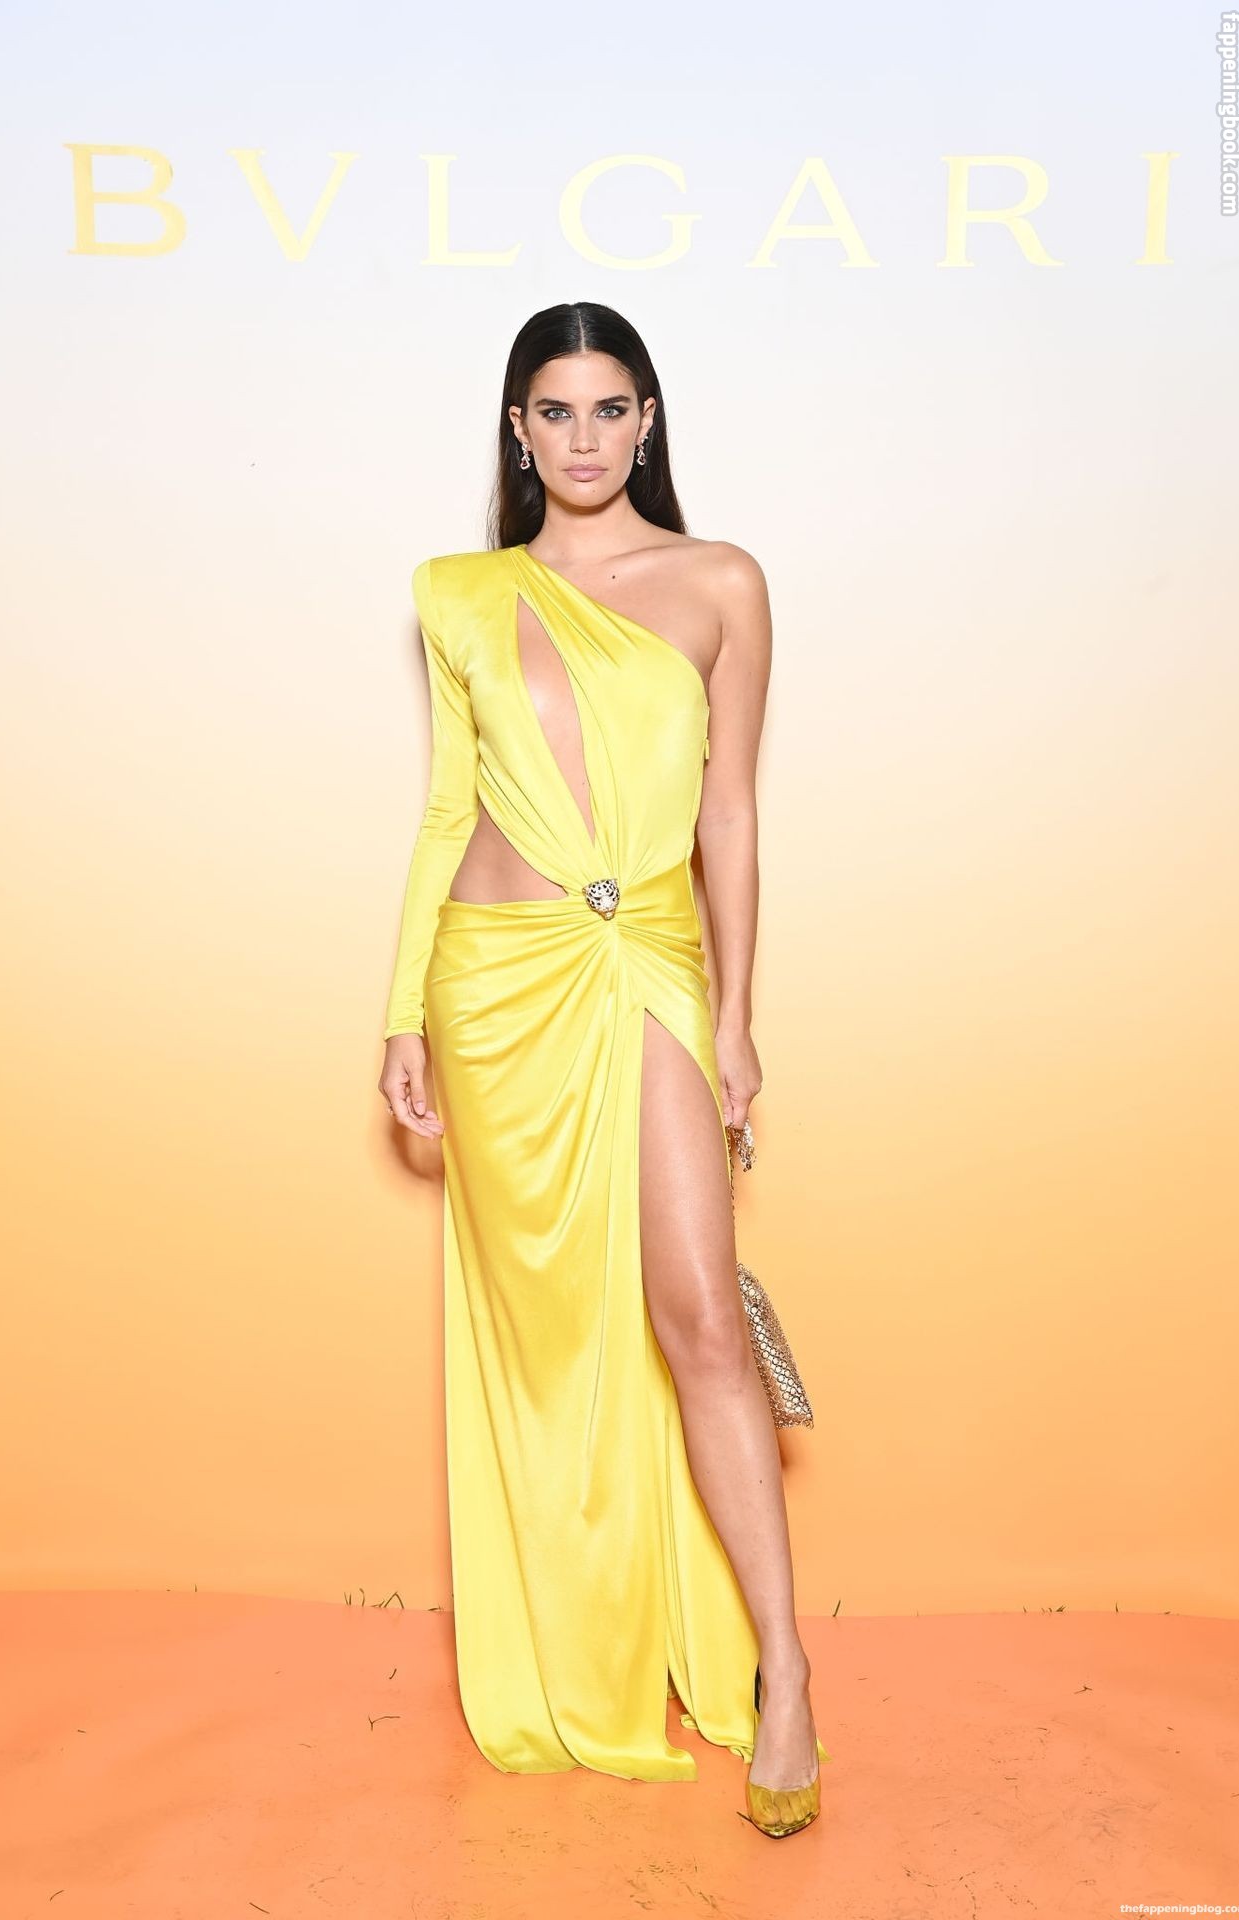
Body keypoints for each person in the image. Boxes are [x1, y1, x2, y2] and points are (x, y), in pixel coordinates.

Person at [378, 301, 827, 1837]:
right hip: (494, 986)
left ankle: (785, 1674)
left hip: (647, 963)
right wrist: (402, 1010)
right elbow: (449, 811)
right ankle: (583, 1646)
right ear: (519, 429)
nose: (584, 437)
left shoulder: (720, 582)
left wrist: (738, 1018)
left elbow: (732, 814)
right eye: (555, 411)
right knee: (553, 1337)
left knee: (698, 1310)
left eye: (610, 408)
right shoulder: (458, 594)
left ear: (649, 420)